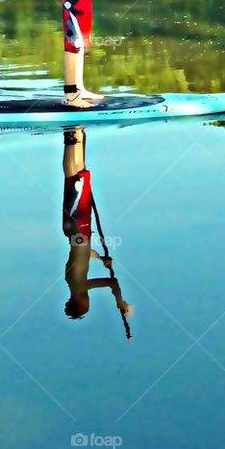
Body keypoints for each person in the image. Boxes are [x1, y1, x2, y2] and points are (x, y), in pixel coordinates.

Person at [61, 127, 132, 329]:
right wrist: (100, 258)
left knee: (72, 180)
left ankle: (71, 136)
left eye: (86, 306)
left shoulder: (79, 285)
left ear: (80, 303)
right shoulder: (74, 282)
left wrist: (119, 301)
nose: (88, 303)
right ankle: (77, 135)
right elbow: (82, 254)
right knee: (79, 177)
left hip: (78, 228)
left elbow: (112, 283)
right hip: (77, 231)